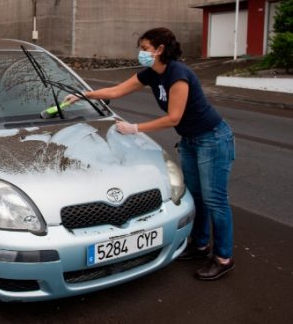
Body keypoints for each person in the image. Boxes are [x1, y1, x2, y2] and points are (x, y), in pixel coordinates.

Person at [65, 27, 236, 281]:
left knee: (215, 200)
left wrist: (134, 128)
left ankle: (223, 257)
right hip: (190, 140)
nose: (141, 53)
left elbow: (173, 117)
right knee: (197, 196)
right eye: (141, 48)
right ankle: (200, 244)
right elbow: (117, 91)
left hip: (213, 138)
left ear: (160, 50)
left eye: (145, 48)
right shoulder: (151, 74)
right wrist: (83, 95)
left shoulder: (178, 74)